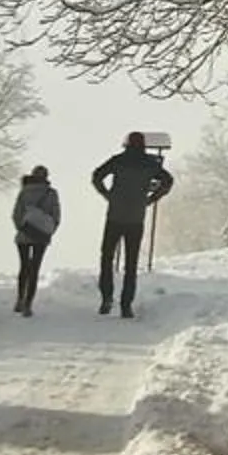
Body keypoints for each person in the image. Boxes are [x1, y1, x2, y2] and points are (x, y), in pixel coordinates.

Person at [90, 132, 173, 318]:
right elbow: (168, 181)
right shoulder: (150, 164)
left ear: (127, 144)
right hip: (136, 217)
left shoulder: (118, 160)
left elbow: (96, 176)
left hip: (115, 215)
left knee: (107, 258)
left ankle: (106, 298)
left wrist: (107, 195)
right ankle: (126, 305)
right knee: (131, 263)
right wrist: (151, 198)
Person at [9, 166, 60, 317]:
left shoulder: (24, 191)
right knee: (35, 268)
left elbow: (16, 213)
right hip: (42, 237)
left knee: (24, 266)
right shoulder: (51, 193)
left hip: (24, 234)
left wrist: (22, 227)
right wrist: (49, 231)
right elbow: (56, 215)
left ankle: (20, 298)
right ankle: (28, 304)